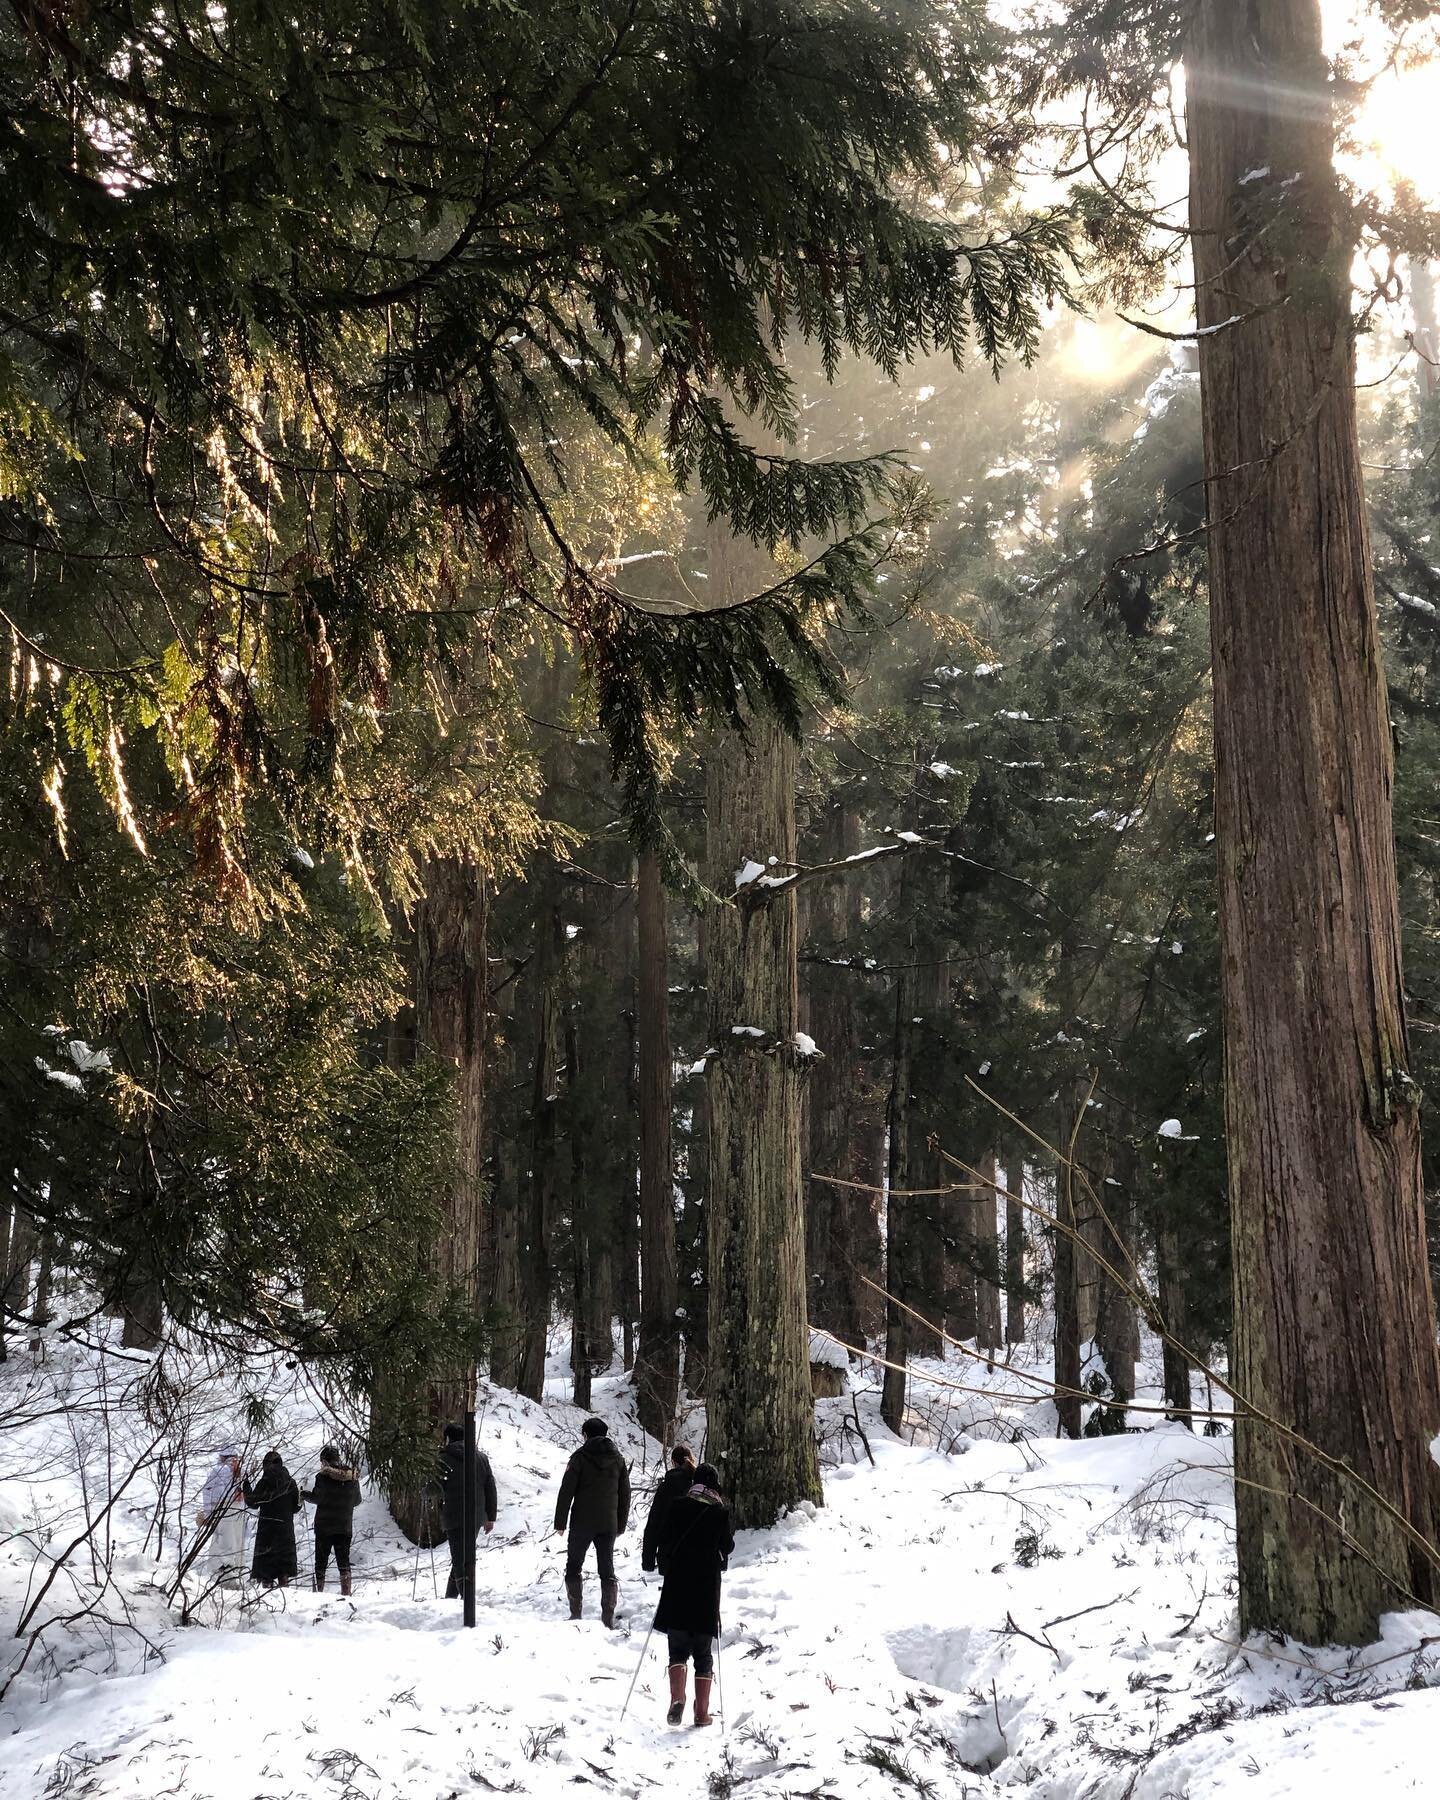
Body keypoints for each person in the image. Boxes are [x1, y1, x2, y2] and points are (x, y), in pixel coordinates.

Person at [653, 1461, 734, 1728]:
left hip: (678, 1584)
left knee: (677, 1650)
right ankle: (702, 1713)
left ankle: (677, 1697)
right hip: (706, 1588)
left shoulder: (677, 1506)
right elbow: (728, 1546)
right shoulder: (720, 1513)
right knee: (703, 1653)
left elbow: (663, 1539)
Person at [554, 1416, 631, 1627]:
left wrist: (560, 1522)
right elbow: (625, 1495)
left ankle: (576, 1614)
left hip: (582, 1522)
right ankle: (607, 1619)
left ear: (585, 1435)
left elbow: (566, 1491)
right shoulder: (618, 1459)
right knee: (607, 1569)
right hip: (608, 1523)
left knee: (574, 1566)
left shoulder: (579, 1457)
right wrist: (620, 1524)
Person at [438, 1422, 498, 1602]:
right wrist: (490, 1517)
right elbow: (490, 1487)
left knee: (460, 1560)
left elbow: (436, 1485)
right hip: (476, 1517)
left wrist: (425, 1491)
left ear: (448, 1438)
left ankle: (468, 1603)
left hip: (454, 1516)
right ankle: (450, 1599)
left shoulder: (444, 1459)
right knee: (463, 1556)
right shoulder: (481, 1458)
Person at [303, 1444, 362, 1595]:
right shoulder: (351, 1477)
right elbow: (357, 1501)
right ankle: (346, 1592)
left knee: (321, 1562)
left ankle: (320, 1591)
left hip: (325, 1526)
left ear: (325, 1461)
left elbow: (318, 1498)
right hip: (344, 1526)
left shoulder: (322, 1477)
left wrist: (305, 1495)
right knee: (344, 1562)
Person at [243, 1449, 301, 1589]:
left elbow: (253, 1503)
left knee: (266, 1570)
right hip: (285, 1530)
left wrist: (246, 1486)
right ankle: (285, 1595)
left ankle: (266, 1598)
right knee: (284, 1570)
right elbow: (295, 1508)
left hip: (267, 1531)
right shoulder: (290, 1482)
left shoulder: (265, 1482)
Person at [641, 1445, 696, 1577]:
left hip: (668, 1552)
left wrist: (648, 1559)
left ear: (673, 1462)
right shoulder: (698, 1485)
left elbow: (654, 1523)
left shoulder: (666, 1487)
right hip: (696, 1552)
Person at [197, 1444, 245, 1588]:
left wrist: (207, 1514)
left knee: (221, 1541)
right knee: (235, 1541)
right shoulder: (240, 1471)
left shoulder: (217, 1470)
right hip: (238, 1510)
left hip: (221, 1509)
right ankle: (234, 1573)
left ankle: (222, 1575)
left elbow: (208, 1492)